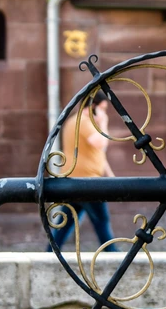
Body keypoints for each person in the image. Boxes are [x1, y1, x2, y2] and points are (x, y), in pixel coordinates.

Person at [48, 94, 117, 251]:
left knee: (65, 224)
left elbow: (95, 153)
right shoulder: (84, 122)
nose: (104, 113)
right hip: (88, 182)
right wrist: (104, 123)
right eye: (103, 109)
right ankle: (115, 256)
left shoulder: (75, 120)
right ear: (94, 107)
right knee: (101, 221)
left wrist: (109, 173)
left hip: (75, 180)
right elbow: (99, 143)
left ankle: (49, 252)